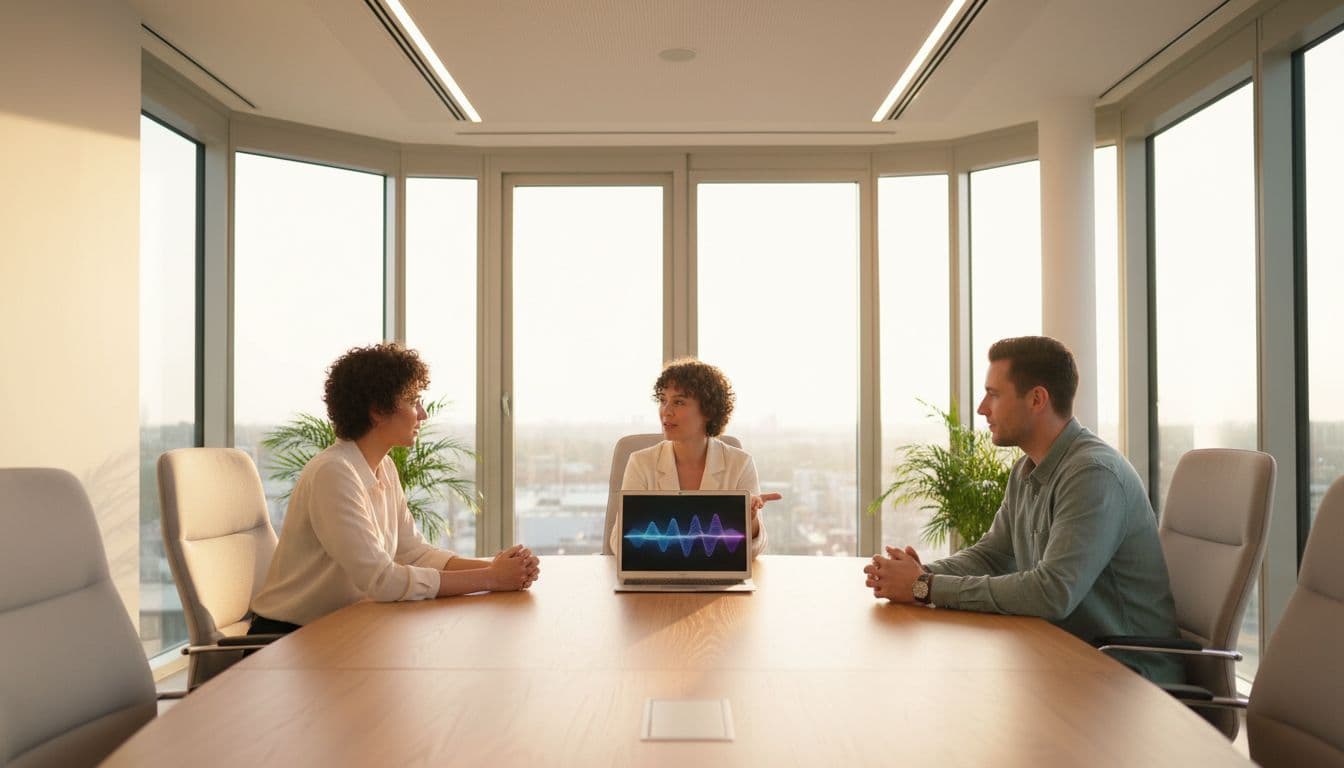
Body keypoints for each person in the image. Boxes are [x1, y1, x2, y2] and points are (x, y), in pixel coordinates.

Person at [863, 336, 1182, 684]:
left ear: (1036, 399)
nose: (982, 408)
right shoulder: (1027, 469)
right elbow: (992, 555)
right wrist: (917, 574)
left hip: (1130, 679)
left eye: (994, 394)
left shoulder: (1092, 475)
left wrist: (925, 587)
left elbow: (1051, 593)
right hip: (1065, 659)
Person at [249, 343, 540, 635]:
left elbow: (413, 553)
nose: (422, 414)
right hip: (285, 641)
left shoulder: (383, 466)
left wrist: (498, 570)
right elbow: (382, 581)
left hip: (340, 632)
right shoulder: (333, 473)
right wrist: (491, 578)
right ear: (377, 411)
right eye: (413, 401)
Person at [611, 358, 780, 558]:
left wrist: (749, 520)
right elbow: (619, 545)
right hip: (657, 576)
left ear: (708, 410)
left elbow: (753, 552)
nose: (666, 411)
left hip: (717, 579)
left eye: (679, 402)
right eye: (663, 400)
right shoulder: (641, 463)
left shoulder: (740, 464)